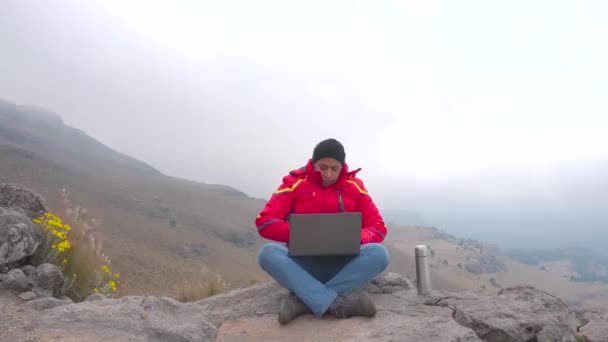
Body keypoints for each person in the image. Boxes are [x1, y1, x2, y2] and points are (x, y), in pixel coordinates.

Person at [255, 138, 390, 325]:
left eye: (334, 169)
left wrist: (355, 237)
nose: (328, 174)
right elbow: (264, 222)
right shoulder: (294, 182)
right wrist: (303, 233)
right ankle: (335, 302)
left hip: (344, 266)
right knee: (267, 253)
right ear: (313, 163)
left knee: (379, 254)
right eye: (322, 167)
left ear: (342, 167)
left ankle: (304, 301)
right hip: (303, 266)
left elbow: (378, 226)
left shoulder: (355, 186)